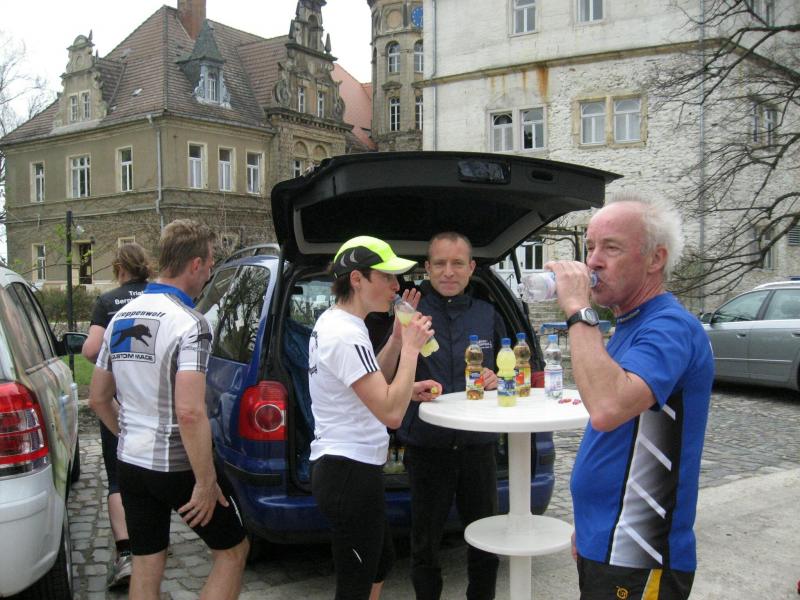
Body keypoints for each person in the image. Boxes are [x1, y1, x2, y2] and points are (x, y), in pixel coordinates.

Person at [547, 194, 714, 599]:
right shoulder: (630, 324)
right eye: (590, 247)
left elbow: (607, 408)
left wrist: (578, 308)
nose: (593, 261)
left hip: (640, 551)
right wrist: (590, 527)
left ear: (655, 259)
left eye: (611, 248)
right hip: (607, 540)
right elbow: (617, 438)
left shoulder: (670, 327)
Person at [88, 220, 248, 600]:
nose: (209, 273)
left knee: (146, 563)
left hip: (131, 463)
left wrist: (127, 434)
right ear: (195, 264)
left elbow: (98, 398)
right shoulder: (191, 323)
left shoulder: (121, 317)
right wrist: (206, 483)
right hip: (177, 464)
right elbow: (190, 412)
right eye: (210, 264)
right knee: (232, 551)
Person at [309, 235, 440, 600]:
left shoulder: (341, 322)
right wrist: (411, 350)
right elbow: (392, 414)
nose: (397, 286)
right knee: (355, 584)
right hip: (346, 472)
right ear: (357, 279)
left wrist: (397, 340)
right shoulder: (344, 334)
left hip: (352, 467)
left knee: (381, 561)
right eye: (387, 277)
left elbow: (371, 383)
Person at [398, 231, 507, 600]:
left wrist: (498, 378)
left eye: (457, 263)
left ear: (471, 267)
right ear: (427, 268)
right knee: (424, 544)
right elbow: (387, 374)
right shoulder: (409, 314)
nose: (449, 272)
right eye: (440, 263)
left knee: (486, 542)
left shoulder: (487, 313)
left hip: (479, 448)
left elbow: (512, 372)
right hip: (427, 447)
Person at [82, 242, 152, 589]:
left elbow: (92, 348)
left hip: (118, 400)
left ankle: (126, 553)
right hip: (155, 397)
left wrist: (111, 363)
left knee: (118, 477)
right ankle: (154, 540)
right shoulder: (158, 297)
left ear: (119, 268)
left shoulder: (109, 301)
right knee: (156, 467)